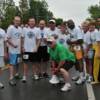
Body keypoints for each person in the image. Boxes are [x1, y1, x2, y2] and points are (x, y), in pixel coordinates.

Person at [21, 18, 41, 82]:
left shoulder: (37, 30)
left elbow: (39, 39)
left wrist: (37, 47)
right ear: (28, 22)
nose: (32, 22)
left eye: (33, 21)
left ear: (35, 22)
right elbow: (22, 38)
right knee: (25, 63)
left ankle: (35, 75)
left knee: (34, 63)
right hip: (26, 50)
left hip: (33, 50)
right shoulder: (24, 29)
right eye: (30, 21)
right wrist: (22, 47)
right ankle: (24, 76)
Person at [67, 19, 84, 85]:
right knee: (75, 61)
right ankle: (78, 75)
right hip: (72, 47)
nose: (70, 25)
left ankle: (82, 77)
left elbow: (80, 41)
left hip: (78, 47)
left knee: (79, 61)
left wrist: (71, 42)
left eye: (71, 24)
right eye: (69, 25)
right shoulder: (69, 29)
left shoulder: (77, 29)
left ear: (74, 23)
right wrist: (69, 41)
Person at [7, 16, 22, 86]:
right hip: (12, 50)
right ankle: (11, 79)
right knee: (12, 64)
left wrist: (21, 47)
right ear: (13, 21)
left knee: (18, 63)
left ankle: (17, 74)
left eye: (18, 21)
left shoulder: (20, 29)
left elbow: (20, 39)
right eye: (16, 21)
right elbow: (7, 39)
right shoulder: (10, 28)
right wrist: (13, 45)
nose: (17, 22)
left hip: (18, 50)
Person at [0, 18, 7, 88]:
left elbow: (5, 42)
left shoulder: (2, 31)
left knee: (0, 68)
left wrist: (5, 52)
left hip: (1, 53)